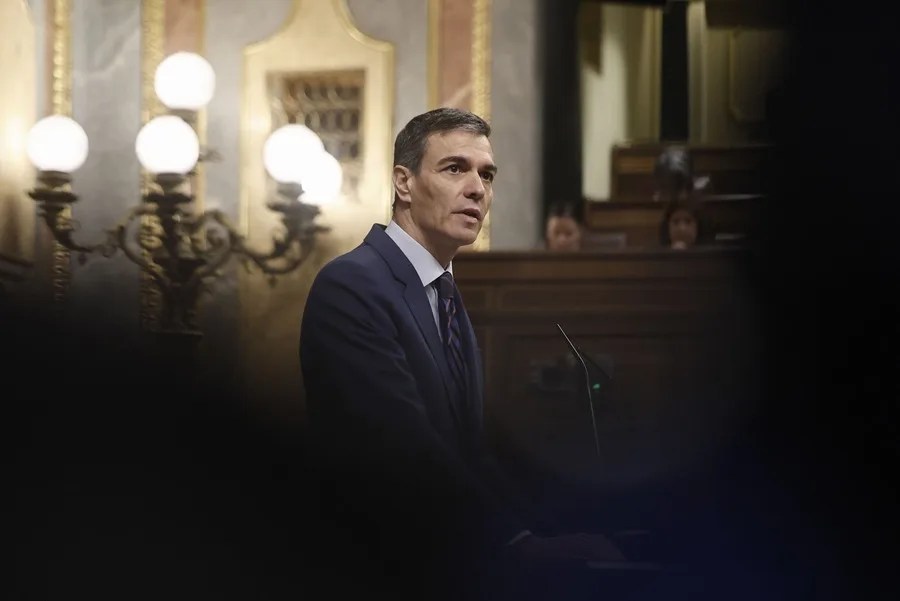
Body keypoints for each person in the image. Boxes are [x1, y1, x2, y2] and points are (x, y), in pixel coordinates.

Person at [299, 108, 626, 599]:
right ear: (403, 183)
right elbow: (403, 447)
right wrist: (516, 541)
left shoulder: (445, 295)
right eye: (455, 168)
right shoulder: (352, 285)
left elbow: (470, 454)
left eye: (486, 174)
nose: (477, 188)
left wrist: (554, 526)